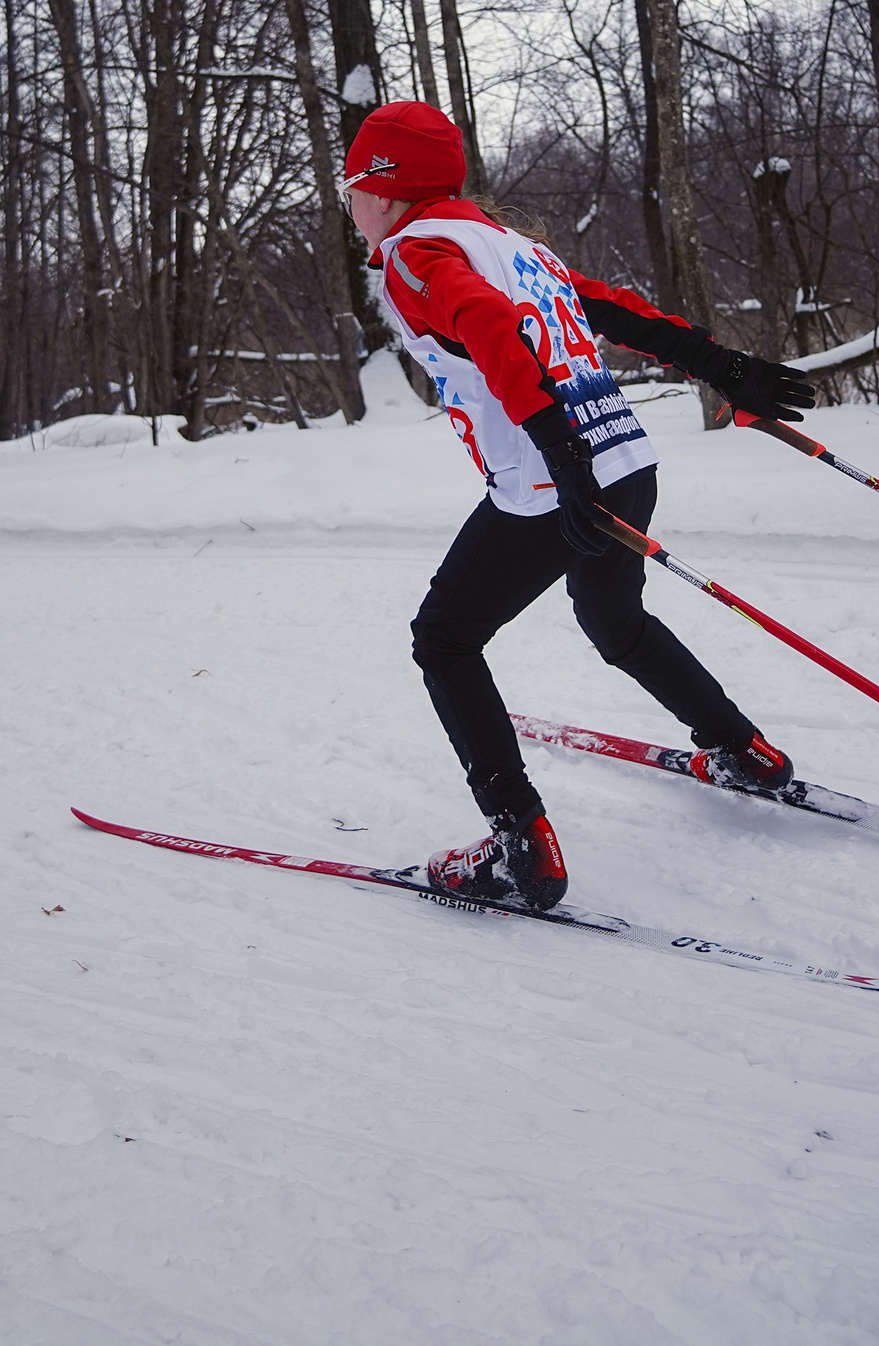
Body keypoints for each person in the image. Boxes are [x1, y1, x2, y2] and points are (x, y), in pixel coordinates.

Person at [342, 100, 817, 911]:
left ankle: (519, 846)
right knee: (616, 622)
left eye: (352, 181)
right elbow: (611, 308)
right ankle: (743, 750)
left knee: (445, 640)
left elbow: (488, 324)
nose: (347, 199)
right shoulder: (508, 244)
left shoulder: (414, 255)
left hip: (554, 481)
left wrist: (560, 453)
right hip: (626, 459)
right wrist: (721, 363)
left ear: (386, 189)